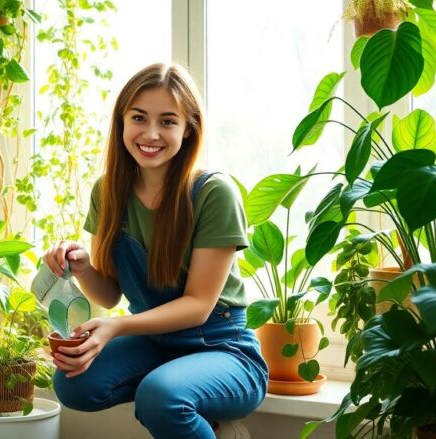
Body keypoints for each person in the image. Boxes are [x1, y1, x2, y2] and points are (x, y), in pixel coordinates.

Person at [42, 63, 268, 439]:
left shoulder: (214, 193)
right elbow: (109, 293)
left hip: (222, 347)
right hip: (154, 344)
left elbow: (198, 305)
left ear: (188, 128)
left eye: (167, 121)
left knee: (161, 397)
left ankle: (179, 397)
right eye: (138, 118)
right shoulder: (108, 190)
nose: (150, 134)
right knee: (74, 384)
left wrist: (116, 328)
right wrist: (82, 267)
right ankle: (179, 396)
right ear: (121, 122)